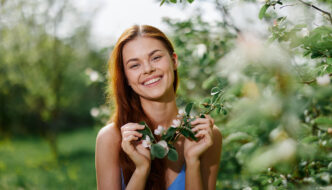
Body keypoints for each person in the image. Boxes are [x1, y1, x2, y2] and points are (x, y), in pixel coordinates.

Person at [95, 25, 222, 190]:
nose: (148, 69)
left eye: (155, 58)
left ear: (174, 60)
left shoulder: (206, 136)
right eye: (135, 65)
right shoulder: (111, 138)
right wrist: (141, 170)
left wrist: (192, 161)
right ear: (126, 77)